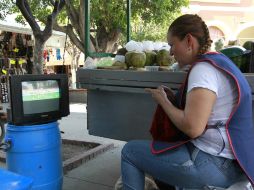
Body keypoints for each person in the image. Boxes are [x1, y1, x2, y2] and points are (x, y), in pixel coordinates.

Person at [121, 14, 254, 190]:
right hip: (233, 164)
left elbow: (193, 128)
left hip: (213, 165)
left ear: (189, 41)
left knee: (130, 152)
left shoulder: (203, 71)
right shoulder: (220, 61)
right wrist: (175, 100)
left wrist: (164, 102)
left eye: (172, 44)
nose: (170, 52)